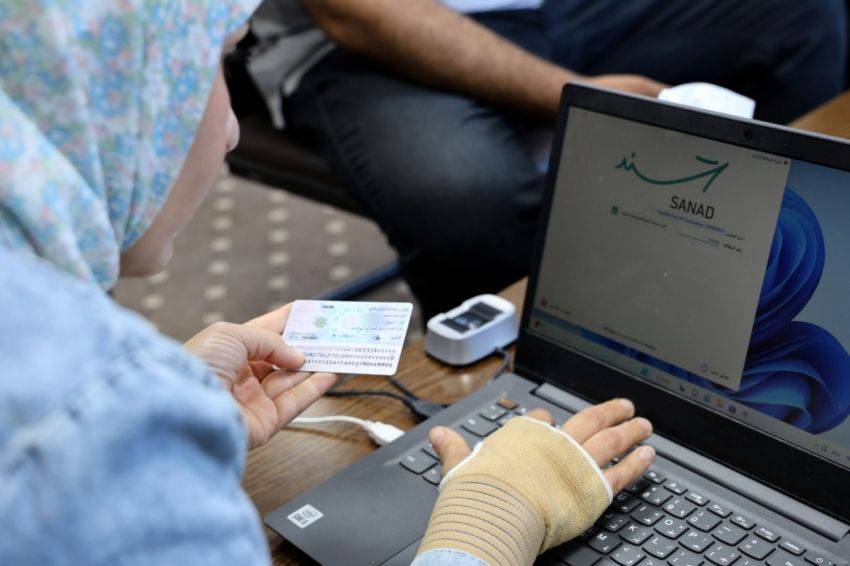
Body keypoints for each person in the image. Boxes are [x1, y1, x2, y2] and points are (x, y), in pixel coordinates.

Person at [0, 1, 654, 564]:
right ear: (112, 95)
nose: (230, 131)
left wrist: (179, 395)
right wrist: (489, 525)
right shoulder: (88, 428)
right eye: (215, 64)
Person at [248, 0, 848, 318]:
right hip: (357, 44)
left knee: (802, 16)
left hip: (549, 8)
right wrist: (575, 95)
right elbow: (357, 11)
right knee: (465, 195)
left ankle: (754, 276)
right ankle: (516, 380)